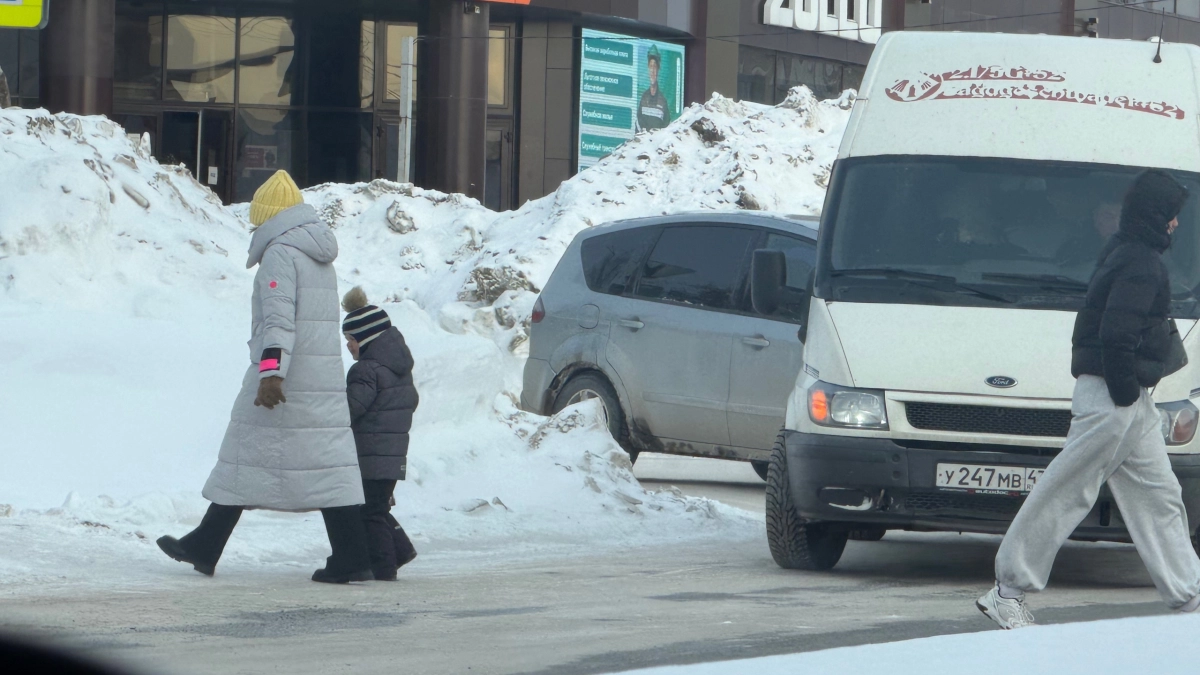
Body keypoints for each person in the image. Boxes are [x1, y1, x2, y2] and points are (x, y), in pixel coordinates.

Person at [977, 169, 1200, 629]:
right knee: (1068, 489)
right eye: (1173, 216)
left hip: (1127, 397)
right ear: (1158, 216)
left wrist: (1130, 395)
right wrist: (1123, 394)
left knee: (1159, 495)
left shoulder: (1126, 251)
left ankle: (1190, 597)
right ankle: (1008, 589)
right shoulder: (1142, 262)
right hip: (1113, 395)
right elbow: (1116, 334)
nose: (1177, 224)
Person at [157, 170, 372, 584]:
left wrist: (270, 373)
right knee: (325, 467)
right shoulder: (317, 255)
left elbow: (278, 319)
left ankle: (205, 543)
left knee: (245, 451)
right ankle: (353, 555)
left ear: (268, 215)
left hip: (285, 380)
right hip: (318, 381)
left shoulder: (280, 254)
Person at [341, 287, 420, 581]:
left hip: (371, 455)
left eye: (350, 340)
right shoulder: (399, 368)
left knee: (369, 512)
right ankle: (400, 550)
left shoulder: (366, 370)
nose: (348, 346)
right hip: (391, 454)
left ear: (366, 337)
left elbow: (351, 409)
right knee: (376, 507)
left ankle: (384, 569)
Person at [637, 45, 670, 132]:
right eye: (650, 66)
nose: (652, 70)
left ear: (658, 69)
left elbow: (667, 131)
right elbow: (637, 127)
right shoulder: (643, 98)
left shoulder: (663, 101)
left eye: (654, 66)